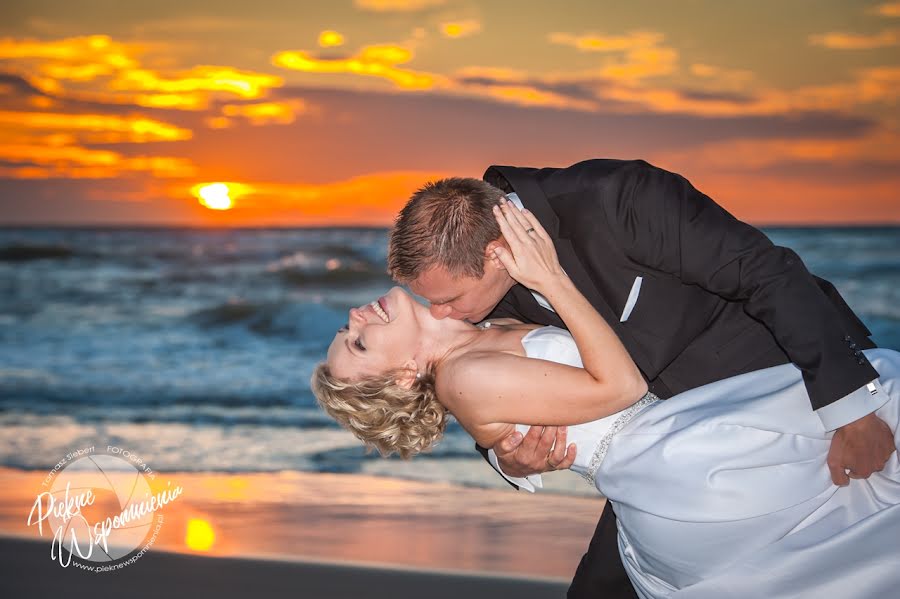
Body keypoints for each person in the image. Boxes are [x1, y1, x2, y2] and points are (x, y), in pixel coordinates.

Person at [312, 200, 900, 598]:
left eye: (347, 329)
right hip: (688, 466)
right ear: (402, 377)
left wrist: (505, 454)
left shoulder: (481, 331)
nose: (355, 316)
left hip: (680, 447)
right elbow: (620, 388)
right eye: (359, 343)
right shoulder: (464, 378)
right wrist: (551, 280)